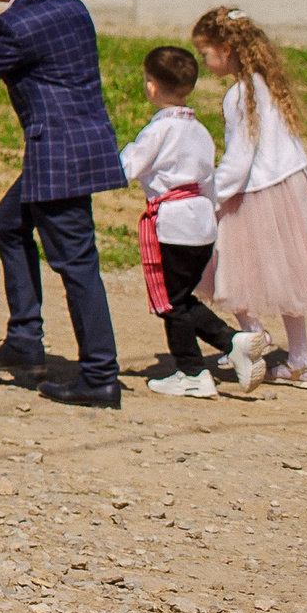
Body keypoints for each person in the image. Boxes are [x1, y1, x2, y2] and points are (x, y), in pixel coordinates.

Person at [0, 0, 127, 408]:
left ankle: (100, 375)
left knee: (77, 264)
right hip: (83, 145)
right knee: (9, 223)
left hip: (57, 156)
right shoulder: (72, 9)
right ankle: (24, 340)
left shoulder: (13, 27)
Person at [190, 6, 307, 391]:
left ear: (226, 49)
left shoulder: (239, 95)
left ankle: (252, 336)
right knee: (289, 275)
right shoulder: (267, 85)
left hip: (255, 193)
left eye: (205, 52)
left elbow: (240, 157)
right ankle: (300, 360)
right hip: (292, 188)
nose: (203, 61)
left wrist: (210, 193)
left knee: (227, 267)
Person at [120, 44, 236, 399]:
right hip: (202, 220)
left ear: (152, 86)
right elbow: (210, 181)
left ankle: (192, 369)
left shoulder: (159, 130)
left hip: (172, 222)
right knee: (182, 297)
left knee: (170, 301)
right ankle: (234, 342)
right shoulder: (199, 130)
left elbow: (127, 168)